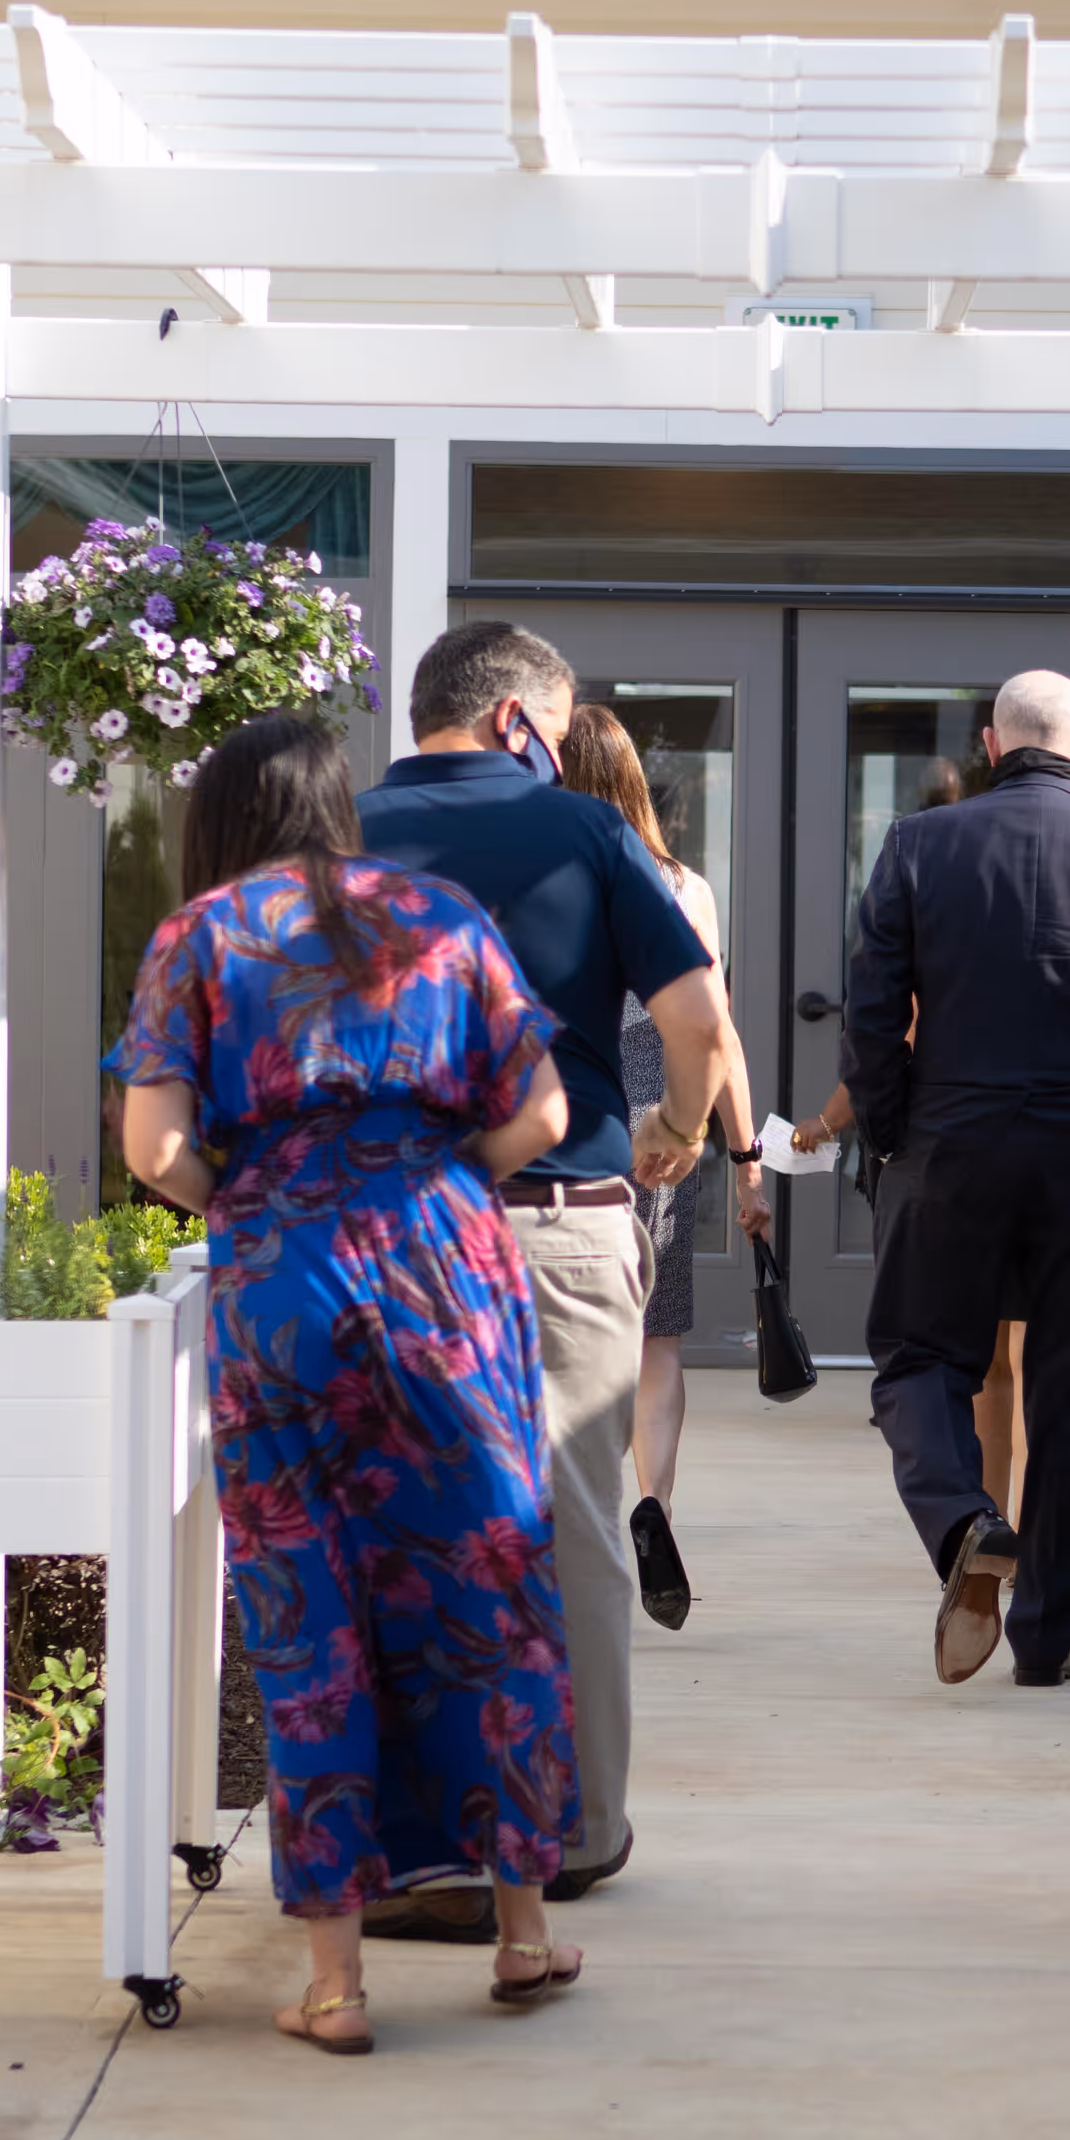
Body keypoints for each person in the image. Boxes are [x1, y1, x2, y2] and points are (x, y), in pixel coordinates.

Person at [109, 715, 583, 2054]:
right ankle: (526, 1939)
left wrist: (255, 1203)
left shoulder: (200, 935)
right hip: (447, 1271)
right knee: (488, 1578)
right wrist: (428, 1186)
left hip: (280, 1281)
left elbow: (155, 1145)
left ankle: (337, 1984)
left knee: (306, 1607)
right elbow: (543, 1115)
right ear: (339, 804)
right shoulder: (440, 915)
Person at [357, 624, 728, 1935]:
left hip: (386, 1233)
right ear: (520, 718)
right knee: (574, 1519)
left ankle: (422, 1842)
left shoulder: (335, 833)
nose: (565, 749)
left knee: (405, 1530)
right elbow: (696, 1023)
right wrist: (680, 1131)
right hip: (559, 1218)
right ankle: (575, 1834)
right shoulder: (584, 836)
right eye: (561, 729)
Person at [842, 667, 1070, 1689]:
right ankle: (1045, 1642)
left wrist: (890, 1139)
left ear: (989, 744)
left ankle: (966, 1520)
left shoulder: (919, 845)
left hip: (952, 1145)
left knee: (919, 1360)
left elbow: (871, 1017)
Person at [560, 704, 772, 1601]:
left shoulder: (547, 877)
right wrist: (747, 1158)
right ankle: (655, 1508)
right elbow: (715, 1035)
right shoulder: (686, 888)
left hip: (571, 1125)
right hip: (664, 1134)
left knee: (569, 1346)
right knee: (656, 1344)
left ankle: (585, 1526)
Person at [794, 1089, 1026, 1523]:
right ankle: (1023, 1550)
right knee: (1021, 1367)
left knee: (995, 1368)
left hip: (964, 1152)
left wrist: (841, 1125)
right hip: (1047, 1146)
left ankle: (990, 1548)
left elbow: (890, 1047)